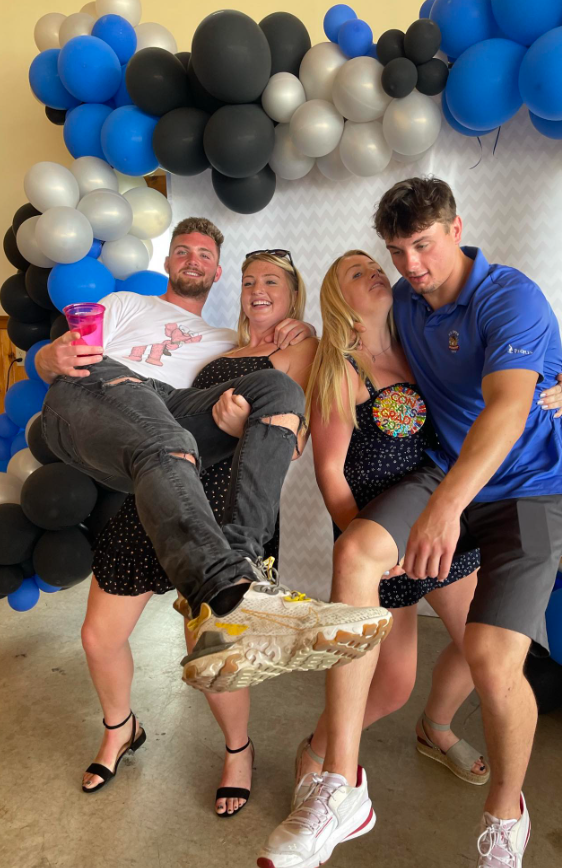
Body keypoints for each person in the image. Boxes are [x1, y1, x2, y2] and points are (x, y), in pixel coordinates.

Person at [258, 179, 562, 868]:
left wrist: (558, 381)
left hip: (527, 489)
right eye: (396, 252)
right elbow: (341, 337)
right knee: (355, 555)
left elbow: (507, 407)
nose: (410, 266)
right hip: (443, 472)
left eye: (424, 246)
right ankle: (340, 783)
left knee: (491, 658)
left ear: (456, 229)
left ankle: (506, 816)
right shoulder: (402, 303)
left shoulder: (508, 295)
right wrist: (295, 331)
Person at [35, 217, 391, 698]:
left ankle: (243, 577)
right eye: (183, 251)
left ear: (216, 272)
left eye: (271, 282)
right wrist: (47, 359)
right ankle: (225, 593)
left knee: (271, 390)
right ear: (168, 261)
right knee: (160, 435)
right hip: (99, 400)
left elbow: (290, 431)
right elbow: (66, 358)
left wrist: (299, 335)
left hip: (176, 451)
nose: (257, 290)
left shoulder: (227, 342)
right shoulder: (124, 303)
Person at [82, 249, 318, 814]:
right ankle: (120, 728)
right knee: (98, 634)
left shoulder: (301, 348)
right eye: (249, 280)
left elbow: (294, 442)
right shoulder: (219, 349)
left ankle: (238, 749)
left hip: (229, 509)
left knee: (211, 651)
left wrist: (244, 425)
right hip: (166, 487)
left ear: (293, 294)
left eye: (272, 281)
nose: (258, 290)